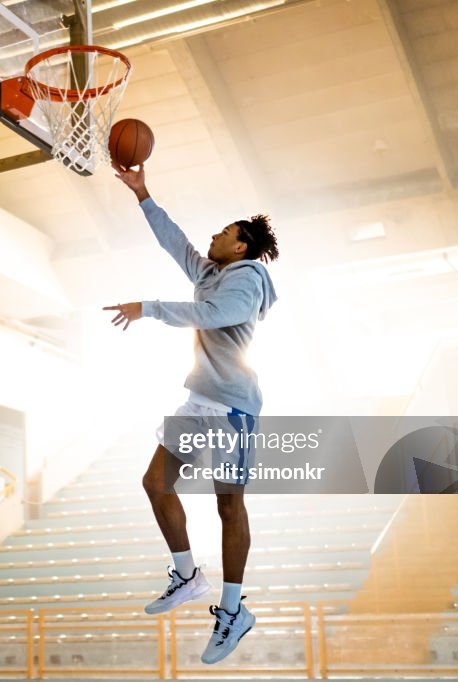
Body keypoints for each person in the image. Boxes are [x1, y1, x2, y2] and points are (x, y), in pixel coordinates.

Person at [105, 163, 278, 665]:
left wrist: (150, 308)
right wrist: (143, 194)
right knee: (155, 484)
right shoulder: (211, 271)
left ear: (242, 246)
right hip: (199, 399)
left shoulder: (248, 278)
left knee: (228, 508)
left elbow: (218, 315)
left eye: (225, 233)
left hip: (232, 406)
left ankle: (232, 611)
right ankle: (187, 576)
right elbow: (175, 242)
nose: (214, 236)